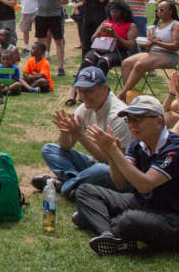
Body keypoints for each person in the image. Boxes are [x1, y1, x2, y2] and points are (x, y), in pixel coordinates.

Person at [73, 95, 179, 256]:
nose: (132, 124)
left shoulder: (176, 150)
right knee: (85, 191)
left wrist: (115, 151)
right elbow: (121, 182)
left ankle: (97, 219)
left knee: (129, 221)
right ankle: (107, 234)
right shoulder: (137, 143)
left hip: (176, 218)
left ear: (158, 122)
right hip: (145, 203)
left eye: (139, 118)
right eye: (129, 119)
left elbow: (145, 184)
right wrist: (110, 157)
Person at [34, 67, 132, 200]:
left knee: (100, 170)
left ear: (104, 88)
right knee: (49, 149)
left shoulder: (118, 116)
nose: (84, 96)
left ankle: (65, 186)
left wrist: (80, 136)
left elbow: (115, 162)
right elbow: (66, 147)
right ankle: (77, 183)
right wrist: (64, 132)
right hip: (93, 163)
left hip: (115, 172)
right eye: (80, 91)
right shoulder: (85, 108)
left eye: (89, 90)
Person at [67, 0, 138, 104]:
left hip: (118, 52)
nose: (112, 11)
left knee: (103, 62)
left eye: (115, 9)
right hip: (100, 49)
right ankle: (74, 92)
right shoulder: (106, 22)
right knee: (86, 62)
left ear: (123, 11)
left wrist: (114, 35)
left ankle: (92, 93)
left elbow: (130, 46)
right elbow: (92, 39)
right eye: (111, 9)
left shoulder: (130, 25)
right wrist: (100, 32)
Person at [117, 0, 179, 103]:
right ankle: (129, 95)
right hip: (154, 53)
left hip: (169, 55)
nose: (159, 12)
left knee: (139, 65)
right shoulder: (157, 24)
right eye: (157, 10)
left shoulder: (176, 25)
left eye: (162, 10)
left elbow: (175, 46)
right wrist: (147, 43)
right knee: (126, 63)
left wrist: (156, 43)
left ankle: (122, 95)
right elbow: (150, 48)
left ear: (171, 11)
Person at [32, 0, 67, 75]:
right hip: (41, 15)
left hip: (54, 15)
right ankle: (40, 66)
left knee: (58, 41)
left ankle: (60, 67)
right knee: (40, 42)